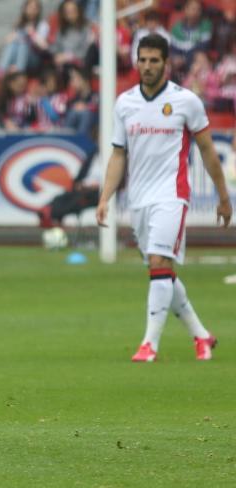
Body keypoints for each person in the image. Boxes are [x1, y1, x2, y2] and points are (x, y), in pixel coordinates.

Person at [95, 34, 232, 363]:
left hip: (172, 195)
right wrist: (105, 198)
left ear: (166, 63)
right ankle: (202, 336)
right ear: (136, 61)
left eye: (154, 60)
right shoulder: (125, 103)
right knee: (163, 272)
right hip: (138, 199)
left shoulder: (186, 101)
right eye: (142, 59)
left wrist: (223, 196)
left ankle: (149, 345)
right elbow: (118, 155)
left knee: (159, 262)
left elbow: (208, 151)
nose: (147, 66)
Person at [0, 0, 49, 76]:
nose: (32, 10)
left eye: (35, 8)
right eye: (30, 7)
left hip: (33, 59)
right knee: (13, 43)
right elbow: (6, 41)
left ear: (38, 10)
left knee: (24, 43)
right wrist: (14, 37)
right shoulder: (19, 23)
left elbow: (44, 46)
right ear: (24, 8)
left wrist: (32, 34)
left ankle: (19, 71)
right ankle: (2, 69)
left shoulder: (42, 25)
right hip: (17, 56)